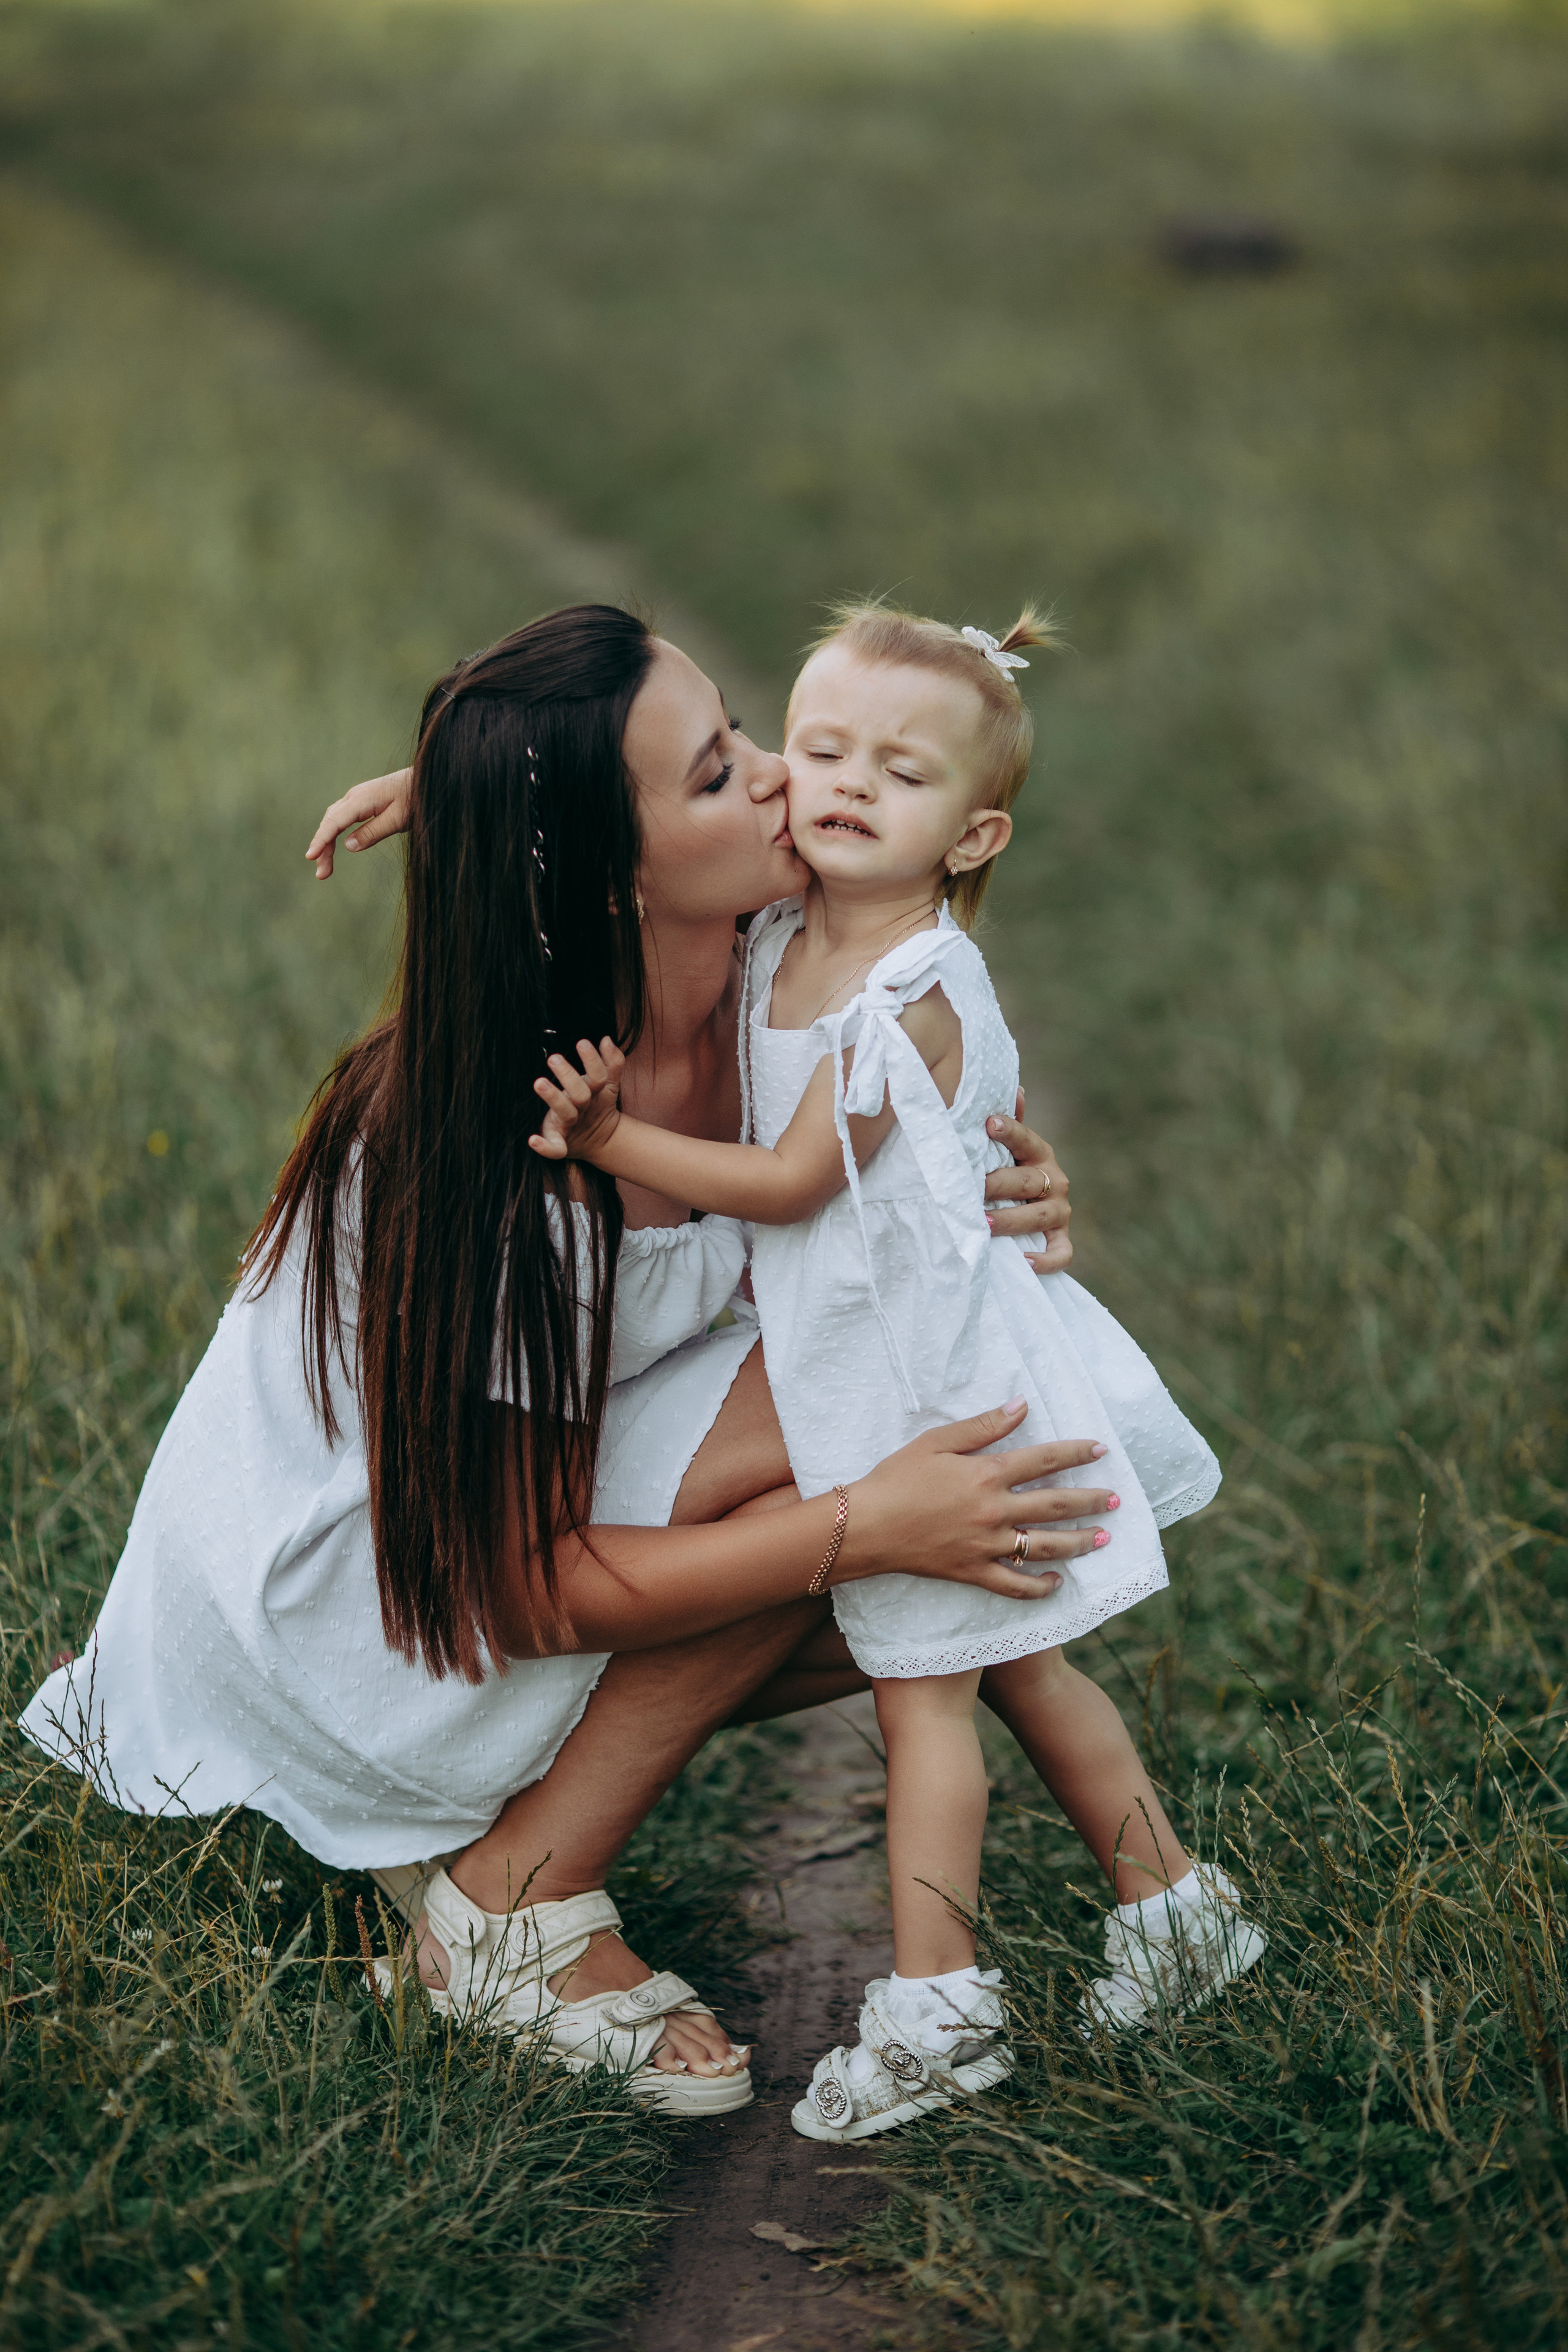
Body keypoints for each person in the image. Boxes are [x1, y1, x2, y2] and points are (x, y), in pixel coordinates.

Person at [20, 603, 1101, 2119]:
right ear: (607, 875)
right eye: (722, 777)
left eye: (738, 735)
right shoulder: (508, 1138)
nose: (793, 781)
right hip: (362, 1595)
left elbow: (912, 857)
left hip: (495, 1515)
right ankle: (514, 1902)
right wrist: (867, 1525)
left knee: (964, 1498)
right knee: (874, 1451)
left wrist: (984, 1177)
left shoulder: (765, 974)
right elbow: (519, 1587)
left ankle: (493, 1828)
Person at [530, 602, 1264, 2143]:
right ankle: (1176, 1910)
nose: (843, 786)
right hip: (868, 1366)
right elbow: (598, 813)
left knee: (924, 1703)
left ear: (973, 831)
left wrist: (609, 1144)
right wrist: (437, 796)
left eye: (902, 774)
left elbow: (795, 1182)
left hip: (926, 1387)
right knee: (1021, 1669)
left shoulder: (908, 990)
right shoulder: (790, 932)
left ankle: (935, 2013)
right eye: (821, 750)